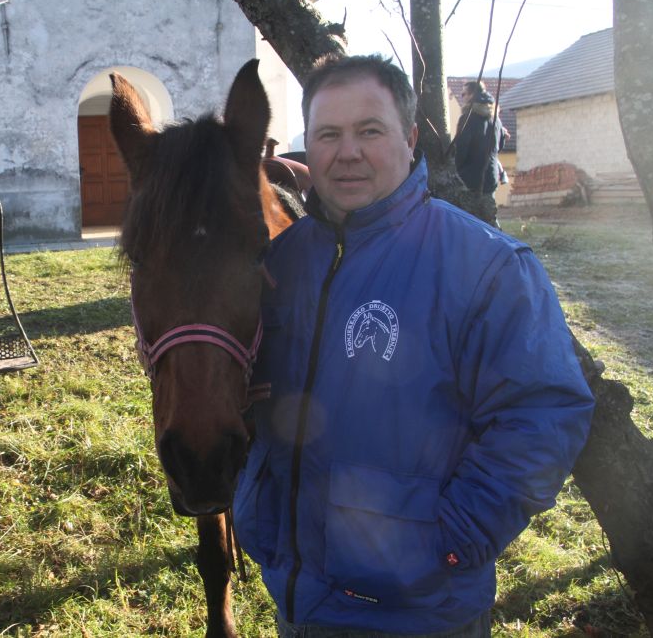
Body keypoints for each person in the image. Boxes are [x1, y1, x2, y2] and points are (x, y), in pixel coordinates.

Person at [232, 55, 594, 637]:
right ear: (309, 147)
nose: (347, 151)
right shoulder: (281, 264)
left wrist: (448, 542)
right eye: (328, 134)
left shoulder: (487, 267)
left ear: (410, 138)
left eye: (369, 131)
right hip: (297, 601)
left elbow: (542, 415)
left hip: (422, 610)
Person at [454, 81, 503, 198]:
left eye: (463, 94)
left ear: (472, 95)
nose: (462, 98)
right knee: (487, 214)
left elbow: (461, 149)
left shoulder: (467, 119)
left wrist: (454, 169)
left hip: (469, 179)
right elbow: (500, 146)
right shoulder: (496, 119)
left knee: (467, 215)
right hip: (491, 177)